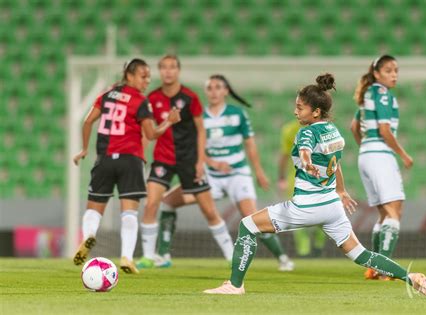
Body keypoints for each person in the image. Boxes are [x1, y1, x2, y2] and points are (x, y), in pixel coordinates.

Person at [203, 73, 426, 297]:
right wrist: (341, 190)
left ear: (315, 112)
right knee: (361, 254)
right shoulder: (333, 131)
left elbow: (305, 152)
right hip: (332, 207)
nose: (295, 112)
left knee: (247, 226)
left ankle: (235, 285)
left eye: (299, 108)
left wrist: (307, 164)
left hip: (305, 206)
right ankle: (411, 277)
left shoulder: (306, 132)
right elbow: (335, 164)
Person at [153, 74, 294, 270]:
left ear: (226, 91)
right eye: (210, 88)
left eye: (218, 87)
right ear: (206, 91)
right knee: (168, 202)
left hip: (238, 175)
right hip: (211, 177)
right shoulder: (199, 116)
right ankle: (162, 255)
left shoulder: (237, 113)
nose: (214, 91)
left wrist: (259, 172)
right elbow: (197, 147)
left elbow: (250, 144)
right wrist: (212, 162)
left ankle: (283, 258)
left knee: (252, 218)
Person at [72, 58, 181, 274]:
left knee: (94, 209)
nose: (147, 80)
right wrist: (169, 121)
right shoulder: (141, 101)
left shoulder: (107, 93)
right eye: (143, 76)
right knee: (129, 212)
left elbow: (87, 121)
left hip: (103, 159)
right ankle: (127, 258)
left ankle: (89, 237)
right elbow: (151, 134)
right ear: (129, 76)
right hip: (130, 160)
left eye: (149, 76)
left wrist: (84, 149)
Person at [137, 55, 234, 269]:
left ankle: (231, 255)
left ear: (178, 71)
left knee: (208, 210)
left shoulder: (190, 98)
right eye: (164, 68)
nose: (168, 71)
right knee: (151, 203)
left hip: (189, 160)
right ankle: (148, 255)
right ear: (160, 71)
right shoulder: (152, 98)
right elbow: (148, 131)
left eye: (172, 67)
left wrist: (200, 161)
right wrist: (140, 156)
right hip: (163, 158)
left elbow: (201, 130)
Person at [351, 55, 413, 280]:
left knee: (384, 213)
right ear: (377, 73)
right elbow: (385, 130)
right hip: (380, 155)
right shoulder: (382, 93)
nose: (394, 74)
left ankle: (375, 266)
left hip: (367, 155)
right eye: (388, 70)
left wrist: (366, 147)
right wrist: (403, 155)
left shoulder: (369, 94)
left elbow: (353, 126)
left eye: (396, 70)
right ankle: (383, 268)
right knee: (394, 212)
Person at [278, 120, 327, 258]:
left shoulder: (291, 129)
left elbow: (283, 156)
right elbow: (284, 155)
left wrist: (281, 177)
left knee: (310, 213)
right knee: (302, 213)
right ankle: (308, 250)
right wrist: (281, 178)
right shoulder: (290, 129)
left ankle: (311, 249)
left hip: (310, 177)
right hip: (303, 177)